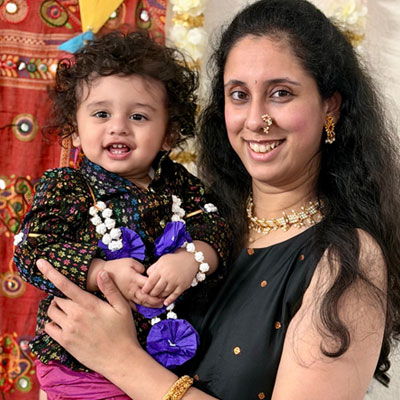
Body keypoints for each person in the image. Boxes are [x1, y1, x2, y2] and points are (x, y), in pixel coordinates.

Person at [32, 0, 400, 399]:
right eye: (239, 94)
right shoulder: (199, 221)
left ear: (330, 105)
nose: (256, 119)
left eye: (281, 93)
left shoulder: (347, 260)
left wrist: (120, 360)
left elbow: (121, 357)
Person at [13, 31, 231, 399]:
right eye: (101, 113)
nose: (118, 126)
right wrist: (101, 272)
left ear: (168, 134)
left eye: (138, 116)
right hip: (79, 363)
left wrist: (192, 258)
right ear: (74, 130)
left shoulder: (179, 184)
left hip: (163, 362)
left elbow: (217, 225)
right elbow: (32, 251)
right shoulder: (68, 187)